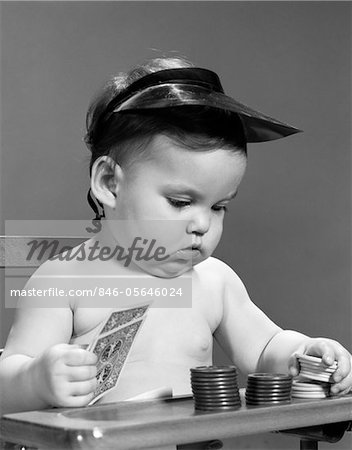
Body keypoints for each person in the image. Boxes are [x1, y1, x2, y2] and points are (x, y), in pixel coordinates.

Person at [0, 57, 351, 417]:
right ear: (108, 183)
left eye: (219, 207)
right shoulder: (64, 281)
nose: (202, 224)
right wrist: (34, 380)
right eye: (180, 202)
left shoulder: (214, 282)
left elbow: (264, 349)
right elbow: (5, 384)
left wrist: (304, 353)